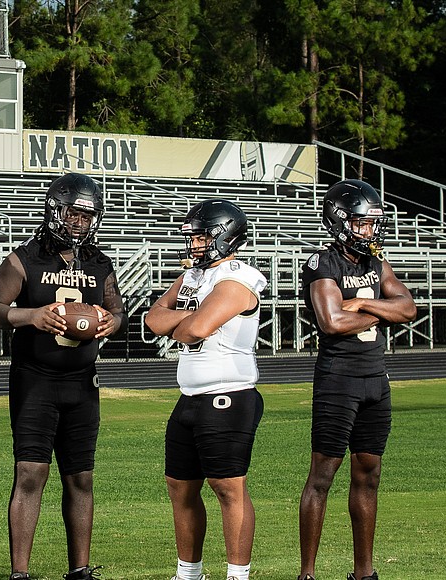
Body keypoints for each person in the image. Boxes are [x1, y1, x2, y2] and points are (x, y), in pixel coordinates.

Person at [0, 172, 126, 580]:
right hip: (35, 380)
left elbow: (118, 311)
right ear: (53, 210)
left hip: (83, 382)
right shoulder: (24, 258)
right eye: (73, 214)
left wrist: (109, 323)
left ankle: (79, 569)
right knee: (30, 472)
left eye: (86, 215)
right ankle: (20, 573)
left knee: (80, 476)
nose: (79, 222)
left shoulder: (99, 262)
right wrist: (33, 316)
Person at [297, 180, 416, 580]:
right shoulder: (322, 262)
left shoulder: (375, 264)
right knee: (323, 476)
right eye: (362, 224)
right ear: (340, 221)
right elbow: (332, 322)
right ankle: (307, 573)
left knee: (369, 474)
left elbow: (409, 308)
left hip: (374, 381)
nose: (369, 232)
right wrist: (384, 311)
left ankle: (364, 573)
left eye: (372, 224)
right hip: (338, 381)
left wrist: (365, 303)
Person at [144, 199, 267, 580]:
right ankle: (188, 573)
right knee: (179, 487)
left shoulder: (238, 278)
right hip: (190, 397)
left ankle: (237, 575)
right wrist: (190, 317)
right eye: (193, 237)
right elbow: (152, 319)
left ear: (226, 237)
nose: (195, 244)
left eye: (202, 237)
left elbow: (194, 331)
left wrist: (183, 322)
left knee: (227, 487)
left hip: (229, 393)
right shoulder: (192, 278)